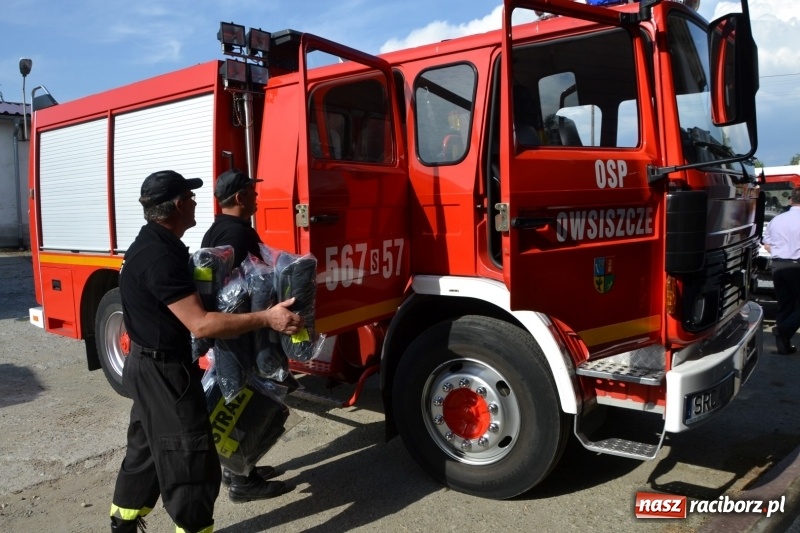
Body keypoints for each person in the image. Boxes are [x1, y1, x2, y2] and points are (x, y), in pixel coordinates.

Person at [110, 170, 304, 533]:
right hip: (164, 372)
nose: (198, 201)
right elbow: (200, 324)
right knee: (191, 463)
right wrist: (266, 318)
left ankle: (123, 523)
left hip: (147, 365)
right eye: (191, 196)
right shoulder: (158, 256)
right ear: (179, 205)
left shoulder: (154, 244)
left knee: (146, 452)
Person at [201, 168, 289, 503]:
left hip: (229, 335)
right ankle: (243, 481)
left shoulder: (216, 230)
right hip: (241, 336)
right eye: (252, 192)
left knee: (234, 400)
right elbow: (244, 288)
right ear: (239, 197)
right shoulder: (237, 235)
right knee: (244, 406)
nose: (257, 197)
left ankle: (240, 466)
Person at [762, 187, 800, 355]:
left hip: (778, 265)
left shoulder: (777, 220)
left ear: (791, 199)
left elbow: (767, 243)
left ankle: (783, 346)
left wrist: (780, 253)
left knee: (785, 304)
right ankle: (783, 330)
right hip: (797, 266)